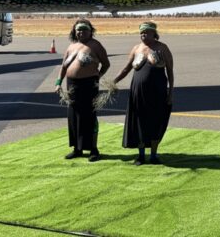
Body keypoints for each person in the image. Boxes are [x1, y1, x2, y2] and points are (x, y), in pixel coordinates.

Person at [113, 21, 173, 165]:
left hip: (157, 91)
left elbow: (170, 71)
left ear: (154, 33)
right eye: (141, 32)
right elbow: (126, 69)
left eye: (146, 32)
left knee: (155, 121)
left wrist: (170, 92)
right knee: (139, 121)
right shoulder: (136, 48)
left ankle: (153, 155)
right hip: (138, 92)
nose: (143, 35)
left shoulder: (162, 48)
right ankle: (141, 155)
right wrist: (113, 82)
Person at [54, 19, 110, 161]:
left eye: (85, 29)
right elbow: (63, 67)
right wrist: (58, 83)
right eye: (79, 29)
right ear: (74, 31)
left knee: (89, 116)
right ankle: (77, 148)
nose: (81, 32)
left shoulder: (95, 45)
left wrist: (98, 76)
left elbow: (106, 64)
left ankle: (93, 149)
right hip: (72, 85)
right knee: (74, 116)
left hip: (89, 85)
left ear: (90, 31)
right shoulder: (71, 46)